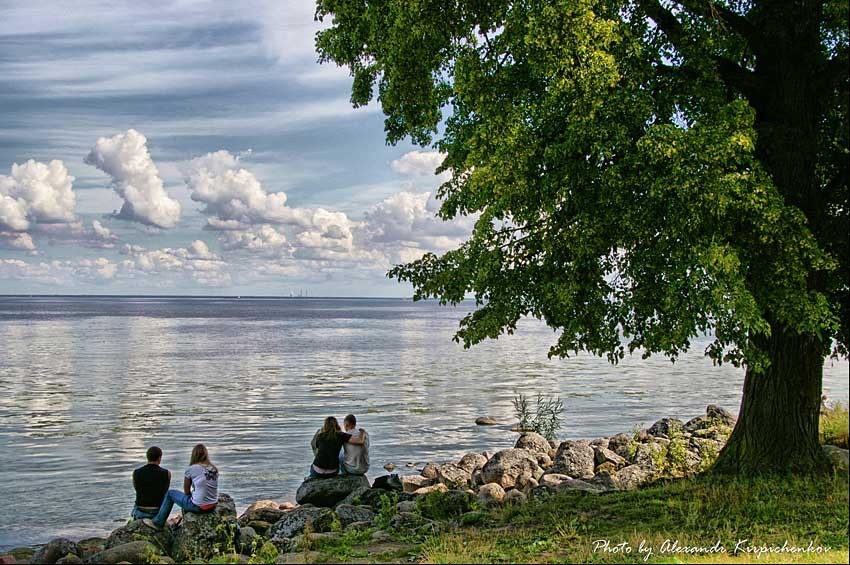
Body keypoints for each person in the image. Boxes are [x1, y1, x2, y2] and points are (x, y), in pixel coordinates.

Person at [145, 444, 219, 528]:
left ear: (194, 455)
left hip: (199, 507)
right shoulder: (214, 469)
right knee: (193, 495)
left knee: (170, 494)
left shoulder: (191, 469)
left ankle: (158, 522)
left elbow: (186, 491)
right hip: (212, 505)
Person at [131, 446, 171, 521]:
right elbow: (165, 491)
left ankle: (134, 518)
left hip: (141, 509)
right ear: (159, 458)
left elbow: (137, 489)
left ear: (147, 457)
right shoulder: (167, 473)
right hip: (157, 511)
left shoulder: (136, 472)